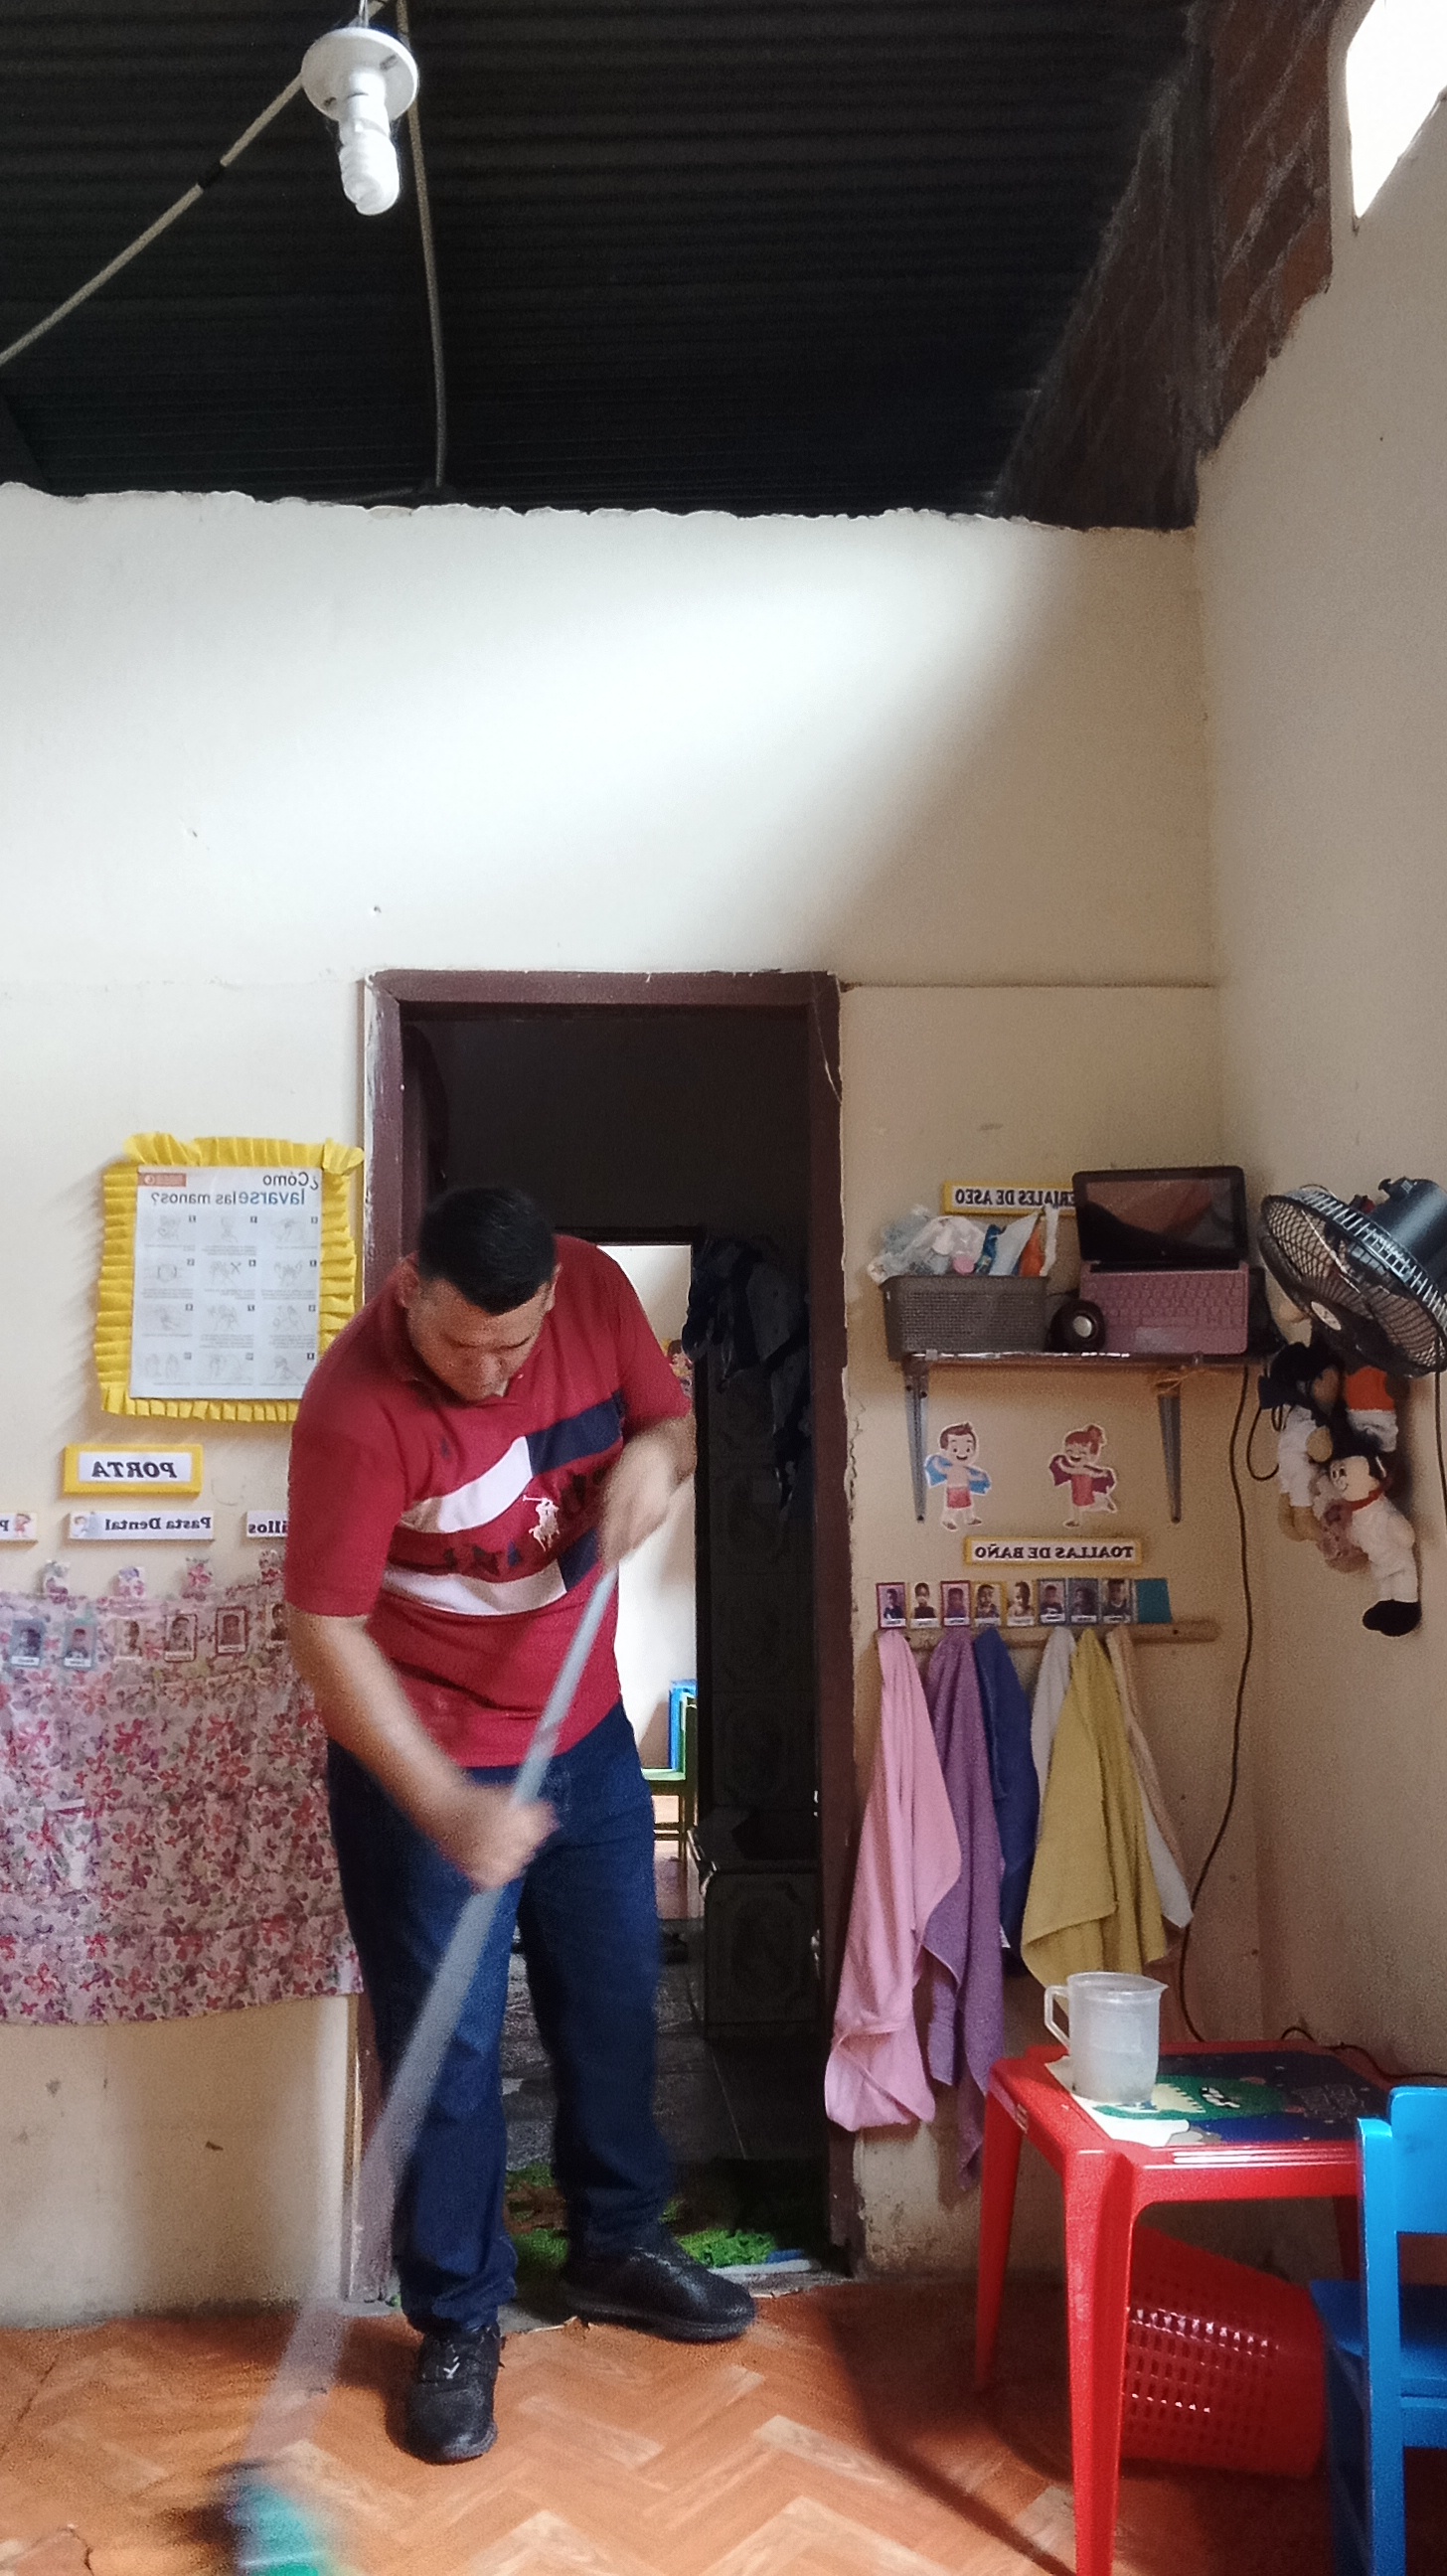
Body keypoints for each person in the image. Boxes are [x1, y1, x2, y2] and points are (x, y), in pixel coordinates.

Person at [284, 1186, 752, 2467]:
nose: (493, 1372)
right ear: (408, 1293)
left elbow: (669, 1420)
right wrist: (444, 1802)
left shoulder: (591, 1286)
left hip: (581, 1731)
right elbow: (323, 1634)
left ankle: (617, 2243)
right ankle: (456, 2317)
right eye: (462, 1346)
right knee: (448, 2050)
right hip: (423, 1757)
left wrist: (658, 1458)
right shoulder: (354, 1411)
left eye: (517, 1343)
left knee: (614, 1997)